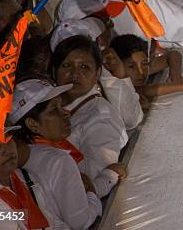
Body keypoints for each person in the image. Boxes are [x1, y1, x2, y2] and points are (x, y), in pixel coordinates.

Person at [8, 78, 102, 229]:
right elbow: (80, 222)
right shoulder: (58, 160)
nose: (65, 113)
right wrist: (92, 192)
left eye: (61, 106)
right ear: (33, 124)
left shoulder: (29, 157)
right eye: (54, 110)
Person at [51, 35, 128, 198]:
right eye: (66, 65)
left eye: (84, 67)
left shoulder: (101, 118)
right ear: (54, 71)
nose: (74, 73)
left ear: (97, 73)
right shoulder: (48, 106)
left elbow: (94, 178)